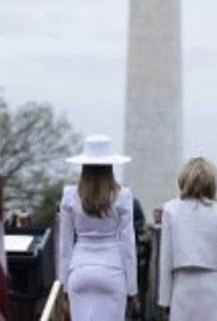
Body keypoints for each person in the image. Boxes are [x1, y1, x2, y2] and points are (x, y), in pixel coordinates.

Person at [58, 135, 137, 321]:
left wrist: (64, 286)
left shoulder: (69, 195)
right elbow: (128, 247)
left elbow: (65, 247)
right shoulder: (123, 196)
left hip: (80, 272)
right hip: (112, 271)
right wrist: (132, 289)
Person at [158, 156, 217, 321]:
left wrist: (164, 301)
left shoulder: (170, 210)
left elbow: (165, 259)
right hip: (214, 284)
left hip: (181, 285)